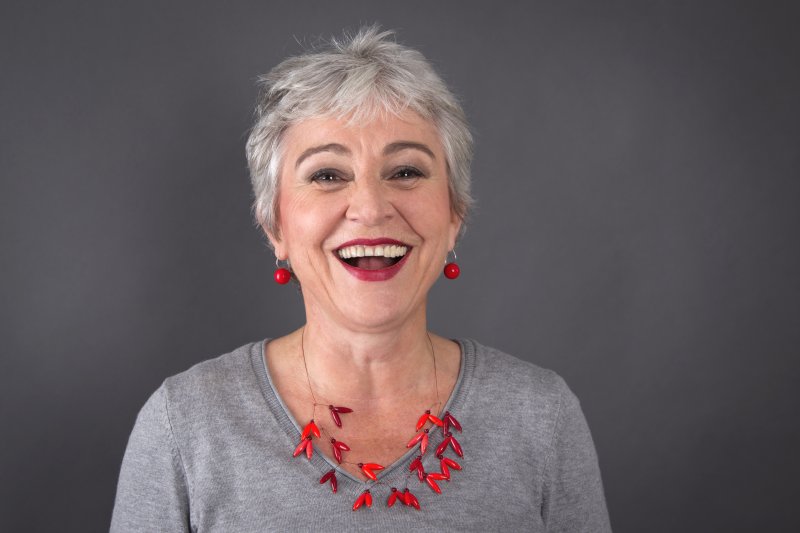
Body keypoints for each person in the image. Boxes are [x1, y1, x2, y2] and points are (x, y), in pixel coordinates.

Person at [111, 26, 611, 532]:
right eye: (328, 175)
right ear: (275, 226)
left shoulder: (542, 418)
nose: (371, 210)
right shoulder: (184, 424)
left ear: (455, 214)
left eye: (406, 172)